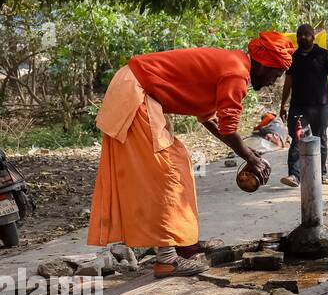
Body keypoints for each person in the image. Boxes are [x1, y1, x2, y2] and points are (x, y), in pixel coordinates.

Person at [88, 31, 295, 277]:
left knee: (178, 165)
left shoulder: (234, 65)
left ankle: (184, 245)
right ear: (265, 63)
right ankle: (167, 260)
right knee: (167, 173)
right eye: (277, 73)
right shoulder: (237, 72)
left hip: (136, 90)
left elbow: (211, 120)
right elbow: (228, 129)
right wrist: (251, 158)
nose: (275, 81)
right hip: (135, 92)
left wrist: (249, 153)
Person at [281, 23, 328, 188]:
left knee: (320, 139)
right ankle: (294, 175)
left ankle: (320, 174)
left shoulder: (323, 55)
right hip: (298, 107)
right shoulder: (293, 57)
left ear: (313, 37)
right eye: (300, 34)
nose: (303, 37)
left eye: (306, 34)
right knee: (297, 139)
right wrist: (283, 106)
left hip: (320, 107)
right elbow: (288, 83)